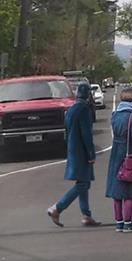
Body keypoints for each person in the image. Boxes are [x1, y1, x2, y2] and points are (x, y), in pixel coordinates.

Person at [46, 83, 102, 228]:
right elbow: (86, 133)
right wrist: (91, 152)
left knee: (83, 182)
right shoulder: (84, 109)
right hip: (81, 150)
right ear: (88, 95)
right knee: (83, 183)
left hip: (72, 148)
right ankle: (57, 208)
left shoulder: (71, 109)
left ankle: (86, 215)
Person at [105, 85, 132, 233]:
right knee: (129, 189)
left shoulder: (115, 115)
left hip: (115, 151)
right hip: (128, 152)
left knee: (117, 190)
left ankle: (119, 222)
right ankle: (128, 222)